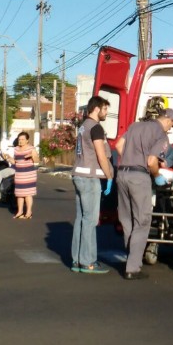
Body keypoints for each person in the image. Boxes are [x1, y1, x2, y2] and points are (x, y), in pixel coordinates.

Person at [114, 108, 173, 280]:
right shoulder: (161, 135)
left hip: (122, 173)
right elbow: (151, 161)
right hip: (139, 177)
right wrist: (156, 175)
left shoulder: (135, 126)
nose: (171, 127)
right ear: (168, 119)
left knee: (127, 221)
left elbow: (119, 145)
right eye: (172, 123)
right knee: (142, 221)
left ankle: (130, 258)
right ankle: (132, 269)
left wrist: (130, 158)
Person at [70, 96, 113, 274]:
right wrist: (109, 176)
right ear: (96, 109)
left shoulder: (82, 126)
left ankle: (77, 260)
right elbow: (101, 155)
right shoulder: (96, 128)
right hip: (89, 177)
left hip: (78, 174)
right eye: (104, 109)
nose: (106, 113)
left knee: (80, 218)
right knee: (90, 220)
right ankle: (88, 262)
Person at [10, 132, 37, 219]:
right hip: (19, 173)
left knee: (28, 194)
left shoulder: (31, 148)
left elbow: (37, 160)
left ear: (27, 140)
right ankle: (20, 211)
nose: (20, 141)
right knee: (19, 194)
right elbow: (15, 161)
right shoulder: (16, 149)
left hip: (29, 174)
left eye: (22, 139)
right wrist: (8, 158)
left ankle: (29, 212)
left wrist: (33, 154)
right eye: (19, 139)